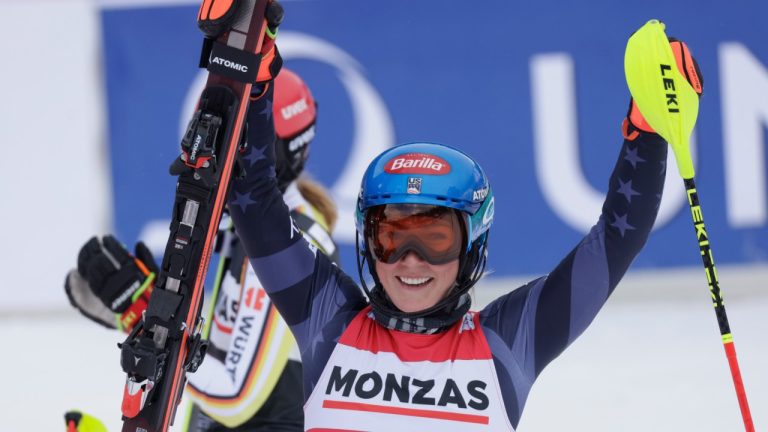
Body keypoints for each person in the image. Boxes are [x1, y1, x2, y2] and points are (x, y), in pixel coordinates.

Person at [224, 30, 704, 430]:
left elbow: (617, 237)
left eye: (435, 240)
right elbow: (255, 204)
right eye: (390, 237)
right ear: (368, 244)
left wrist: (648, 130)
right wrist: (252, 70)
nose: (410, 260)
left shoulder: (508, 341)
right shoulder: (328, 320)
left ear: (471, 246)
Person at [65, 68, 339, 431]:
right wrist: (154, 316)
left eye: (233, 144)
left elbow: (234, 396)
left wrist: (144, 315)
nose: (209, 157)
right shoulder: (248, 229)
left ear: (277, 154)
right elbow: (209, 354)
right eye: (210, 138)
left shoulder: (289, 246)